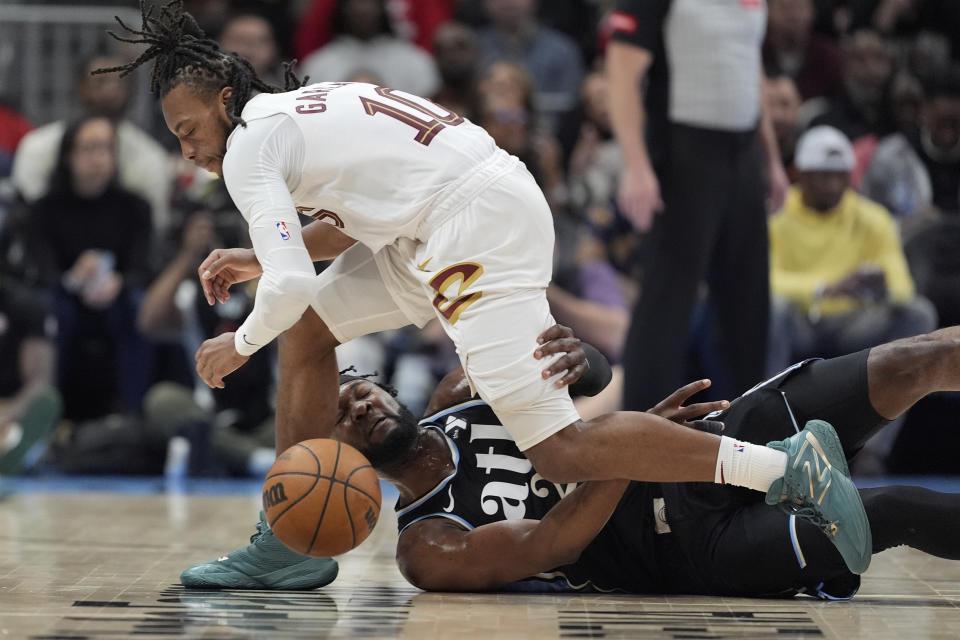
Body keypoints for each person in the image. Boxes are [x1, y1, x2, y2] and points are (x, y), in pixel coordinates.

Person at [99, 1, 870, 587]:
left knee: (560, 446)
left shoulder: (247, 150)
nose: (187, 145)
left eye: (188, 125)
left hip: (466, 228)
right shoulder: (302, 109)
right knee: (309, 332)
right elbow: (363, 216)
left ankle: (783, 469)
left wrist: (232, 347)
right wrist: (262, 259)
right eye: (172, 135)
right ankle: (291, 545)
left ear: (226, 98)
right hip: (452, 214)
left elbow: (296, 278)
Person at [262, 323, 960, 595]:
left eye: (355, 391)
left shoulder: (463, 388)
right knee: (891, 508)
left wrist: (579, 355)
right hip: (687, 550)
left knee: (919, 360)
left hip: (695, 441)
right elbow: (552, 539)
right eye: (341, 420)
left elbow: (591, 374)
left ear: (381, 383)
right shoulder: (426, 543)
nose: (356, 407)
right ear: (339, 458)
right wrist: (632, 445)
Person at [606, 0, 789, 413]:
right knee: (666, 303)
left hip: (743, 153)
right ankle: (642, 434)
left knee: (749, 303)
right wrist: (636, 165)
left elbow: (749, 67)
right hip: (683, 150)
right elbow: (621, 74)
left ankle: (749, 435)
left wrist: (771, 160)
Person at [767, 125, 938, 374]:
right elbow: (766, 281)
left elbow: (903, 286)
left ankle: (884, 411)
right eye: (824, 176)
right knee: (774, 308)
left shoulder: (873, 217)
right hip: (799, 321)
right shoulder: (777, 217)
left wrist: (884, 289)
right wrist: (824, 288)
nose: (834, 186)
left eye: (841, 176)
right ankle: (764, 406)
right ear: (802, 175)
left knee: (918, 312)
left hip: (854, 324)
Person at [11, 53, 173, 232]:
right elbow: (32, 220)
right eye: (100, 81)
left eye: (120, 82)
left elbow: (152, 229)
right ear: (81, 88)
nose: (110, 91)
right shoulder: (37, 147)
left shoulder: (152, 158)